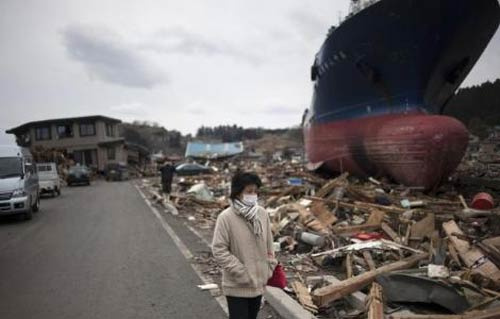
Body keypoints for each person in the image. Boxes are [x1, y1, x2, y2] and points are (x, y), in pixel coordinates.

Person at [212, 172, 277, 319]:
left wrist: (269, 266)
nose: (253, 195)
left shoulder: (261, 214)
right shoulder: (226, 217)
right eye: (248, 192)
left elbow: (269, 243)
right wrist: (242, 272)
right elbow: (219, 249)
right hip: (237, 285)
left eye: (255, 191)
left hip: (258, 284)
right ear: (237, 192)